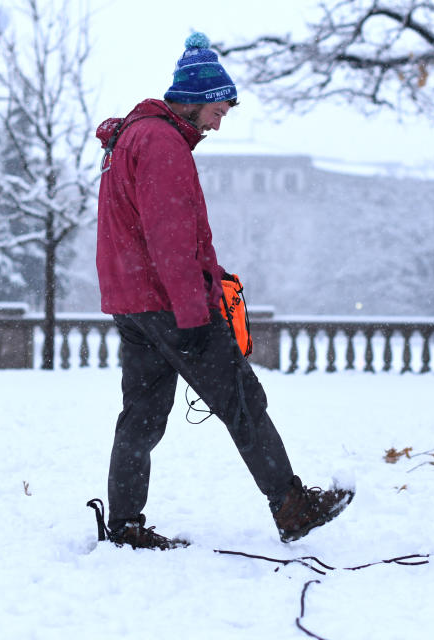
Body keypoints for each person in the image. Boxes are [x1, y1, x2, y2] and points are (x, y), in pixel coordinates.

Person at [94, 33, 352, 550]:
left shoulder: (131, 138)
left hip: (134, 303)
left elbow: (146, 232)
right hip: (172, 305)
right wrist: (194, 310)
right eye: (218, 109)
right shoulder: (163, 144)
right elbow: (169, 237)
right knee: (243, 402)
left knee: (140, 418)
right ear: (193, 98)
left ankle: (124, 526)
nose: (219, 122)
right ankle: (291, 506)